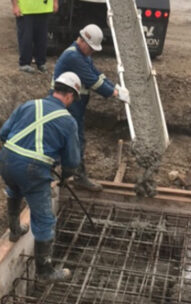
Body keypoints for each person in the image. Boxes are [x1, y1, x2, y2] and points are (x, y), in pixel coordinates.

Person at [0, 72, 82, 282]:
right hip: (32, 170)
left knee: (14, 189)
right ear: (70, 95)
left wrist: (17, 153)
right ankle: (44, 271)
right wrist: (66, 176)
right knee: (44, 219)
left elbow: (3, 133)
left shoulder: (29, 104)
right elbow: (72, 160)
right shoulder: (68, 121)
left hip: (6, 160)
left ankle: (15, 229)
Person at [52, 24, 130, 191]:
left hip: (74, 104)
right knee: (75, 139)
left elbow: (97, 74)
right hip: (66, 103)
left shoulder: (82, 55)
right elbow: (93, 81)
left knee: (70, 139)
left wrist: (116, 88)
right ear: (84, 42)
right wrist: (115, 94)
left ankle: (65, 175)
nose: (93, 52)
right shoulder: (73, 57)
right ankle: (75, 176)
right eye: (92, 48)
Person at [11, 0, 59, 73]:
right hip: (26, 9)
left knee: (42, 38)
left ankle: (41, 63)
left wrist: (55, 2)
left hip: (44, 8)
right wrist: (15, 6)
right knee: (26, 38)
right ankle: (24, 63)